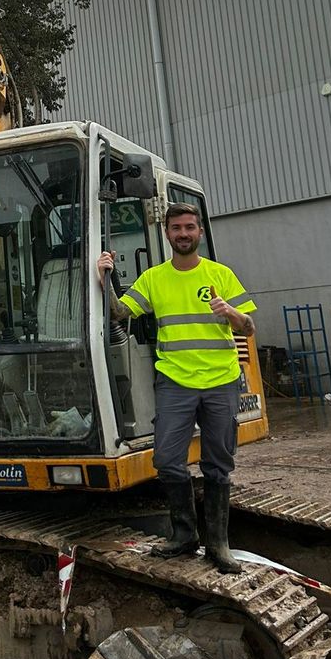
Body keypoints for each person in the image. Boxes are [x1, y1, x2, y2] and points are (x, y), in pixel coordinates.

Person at [97, 203, 256, 574]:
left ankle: (218, 544)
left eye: (189, 227)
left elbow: (247, 326)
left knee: (218, 466)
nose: (183, 234)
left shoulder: (221, 274)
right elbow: (121, 313)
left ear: (199, 232)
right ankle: (185, 535)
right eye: (176, 228)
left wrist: (231, 314)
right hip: (175, 382)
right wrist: (105, 278)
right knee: (167, 461)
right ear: (166, 234)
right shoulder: (155, 278)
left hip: (220, 382)